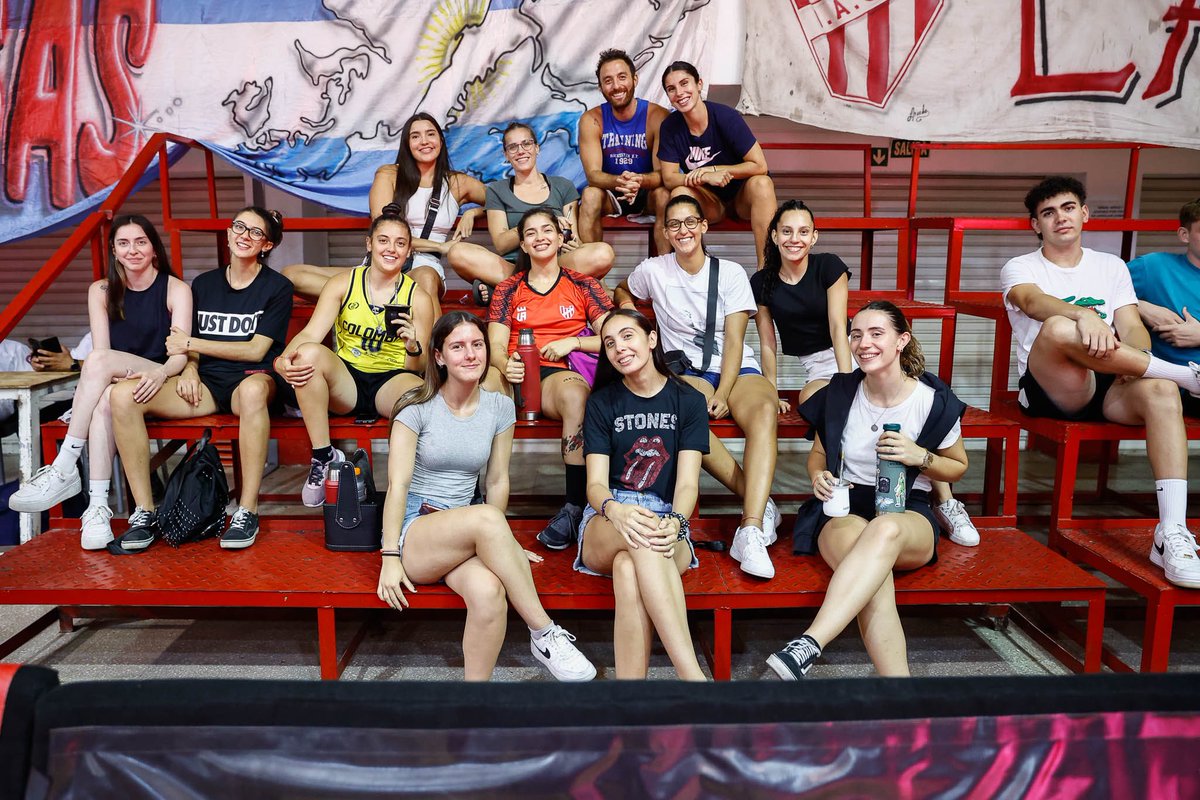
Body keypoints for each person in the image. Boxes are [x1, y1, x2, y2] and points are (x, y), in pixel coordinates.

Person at [1002, 177, 1200, 588]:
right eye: (1048, 212)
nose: (1061, 218)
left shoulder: (1109, 266)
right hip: (1056, 386)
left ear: (1085, 214)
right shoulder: (1022, 266)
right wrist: (1084, 316)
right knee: (1057, 326)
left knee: (1161, 392)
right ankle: (1184, 375)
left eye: (1069, 207)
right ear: (1035, 225)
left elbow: (1131, 325)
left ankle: (1172, 532)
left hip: (1109, 384)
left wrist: (1137, 359)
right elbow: (1032, 303)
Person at [377, 311, 596, 682]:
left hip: (469, 531)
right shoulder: (415, 407)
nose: (471, 355)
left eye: (477, 345)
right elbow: (397, 486)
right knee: (488, 519)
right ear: (439, 356)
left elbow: (496, 481)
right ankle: (544, 634)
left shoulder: (499, 406)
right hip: (417, 534)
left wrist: (500, 546)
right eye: (458, 347)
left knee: (490, 593)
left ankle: (474, 700)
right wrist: (389, 557)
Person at [753, 200, 980, 547]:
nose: (794, 238)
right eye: (786, 231)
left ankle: (945, 501)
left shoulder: (828, 267)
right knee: (812, 399)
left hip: (852, 349)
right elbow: (767, 342)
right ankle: (840, 483)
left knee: (912, 407)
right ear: (774, 235)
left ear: (814, 236)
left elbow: (835, 325)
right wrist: (769, 389)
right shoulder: (764, 281)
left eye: (802, 231)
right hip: (815, 364)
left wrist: (849, 381)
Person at [767, 301, 969, 680]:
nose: (864, 343)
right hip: (846, 505)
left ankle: (810, 642)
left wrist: (920, 456)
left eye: (877, 334)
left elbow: (957, 466)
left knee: (885, 529)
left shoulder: (930, 400)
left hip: (907, 509)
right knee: (874, 580)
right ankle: (901, 694)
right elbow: (818, 455)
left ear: (901, 341)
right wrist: (817, 478)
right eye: (856, 335)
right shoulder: (841, 392)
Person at [615, 195, 782, 579]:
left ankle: (750, 527)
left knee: (763, 413)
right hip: (687, 369)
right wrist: (635, 315)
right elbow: (623, 288)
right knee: (684, 415)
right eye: (674, 225)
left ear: (704, 227)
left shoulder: (731, 273)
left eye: (691, 222)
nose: (683, 231)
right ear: (665, 232)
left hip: (735, 367)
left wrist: (724, 393)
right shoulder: (654, 270)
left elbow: (737, 342)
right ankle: (757, 498)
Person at [110, 207, 294, 551]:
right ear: (227, 233)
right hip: (207, 383)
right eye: (239, 227)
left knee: (253, 391)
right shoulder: (204, 283)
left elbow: (256, 351)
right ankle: (145, 514)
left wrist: (190, 346)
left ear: (266, 245)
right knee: (122, 396)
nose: (244, 235)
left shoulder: (277, 287)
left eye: (255, 233)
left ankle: (246, 511)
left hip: (252, 380)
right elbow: (187, 346)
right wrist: (191, 368)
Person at [8, 216, 191, 551]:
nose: (133, 250)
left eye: (141, 242)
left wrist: (159, 373)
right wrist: (98, 390)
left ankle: (64, 466)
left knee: (98, 364)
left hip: (159, 376)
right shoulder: (101, 290)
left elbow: (180, 355)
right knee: (104, 397)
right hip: (119, 379)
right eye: (124, 243)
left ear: (153, 249)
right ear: (114, 251)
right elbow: (104, 354)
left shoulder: (176, 289)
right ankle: (97, 509)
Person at [579, 309, 709, 680]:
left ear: (651, 340)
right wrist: (616, 510)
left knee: (628, 567)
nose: (619, 348)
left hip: (668, 516)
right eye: (609, 342)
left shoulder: (688, 401)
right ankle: (693, 679)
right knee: (638, 537)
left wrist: (677, 521)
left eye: (627, 336)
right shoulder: (602, 403)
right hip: (608, 518)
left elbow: (687, 485)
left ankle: (630, 696)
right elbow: (595, 486)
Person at [275, 213, 432, 507]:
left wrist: (412, 345)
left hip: (392, 378)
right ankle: (324, 457)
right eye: (383, 240)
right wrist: (283, 360)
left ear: (409, 251)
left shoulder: (418, 298)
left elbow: (419, 367)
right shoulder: (342, 283)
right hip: (346, 378)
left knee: (419, 397)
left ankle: (412, 486)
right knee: (307, 355)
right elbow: (310, 333)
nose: (391, 249)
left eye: (400, 243)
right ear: (369, 243)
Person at [284, 113, 506, 310]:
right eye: (415, 136)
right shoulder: (389, 175)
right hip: (381, 263)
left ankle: (433, 353)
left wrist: (473, 212)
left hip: (424, 265)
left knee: (426, 279)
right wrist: (441, 246)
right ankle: (371, 299)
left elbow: (505, 201)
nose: (424, 141)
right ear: (407, 144)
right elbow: (384, 230)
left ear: (440, 140)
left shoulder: (458, 182)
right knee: (291, 276)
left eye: (431, 134)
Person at [488, 207, 614, 550]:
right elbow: (496, 344)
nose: (540, 237)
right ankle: (472, 499)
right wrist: (503, 362)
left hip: (555, 373)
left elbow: (614, 335)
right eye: (531, 233)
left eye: (548, 230)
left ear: (561, 239)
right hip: (512, 369)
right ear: (524, 246)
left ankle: (575, 506)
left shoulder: (583, 284)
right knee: (482, 384)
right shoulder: (508, 289)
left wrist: (573, 341)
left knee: (577, 395)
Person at [656, 60, 777, 269]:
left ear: (699, 84)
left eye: (685, 83)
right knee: (677, 194)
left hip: (742, 199)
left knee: (762, 183)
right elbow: (669, 178)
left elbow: (760, 165)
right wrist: (704, 177)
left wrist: (714, 170)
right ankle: (686, 271)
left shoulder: (725, 116)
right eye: (671, 89)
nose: (680, 92)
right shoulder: (670, 126)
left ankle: (766, 273)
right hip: (709, 202)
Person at [485, 122, 614, 282]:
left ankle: (518, 285)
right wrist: (543, 222)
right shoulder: (496, 190)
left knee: (603, 253)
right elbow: (501, 244)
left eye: (526, 143)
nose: (520, 151)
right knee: (458, 252)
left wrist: (574, 245)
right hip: (514, 266)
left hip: (557, 264)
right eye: (513, 147)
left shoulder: (563, 186)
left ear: (537, 148)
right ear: (506, 154)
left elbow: (573, 236)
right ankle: (530, 282)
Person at [577, 48, 670, 254]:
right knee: (590, 195)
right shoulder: (591, 120)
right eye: (608, 81)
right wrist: (624, 182)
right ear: (600, 87)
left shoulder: (657, 116)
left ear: (634, 79)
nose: (616, 86)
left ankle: (664, 276)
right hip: (612, 194)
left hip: (648, 194)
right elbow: (593, 176)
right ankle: (592, 280)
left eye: (622, 77)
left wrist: (639, 181)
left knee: (665, 195)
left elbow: (662, 174)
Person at [1127, 197, 1200, 417]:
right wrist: (1139, 306)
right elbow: (1094, 290)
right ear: (1184, 235)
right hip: (1176, 388)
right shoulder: (1154, 267)